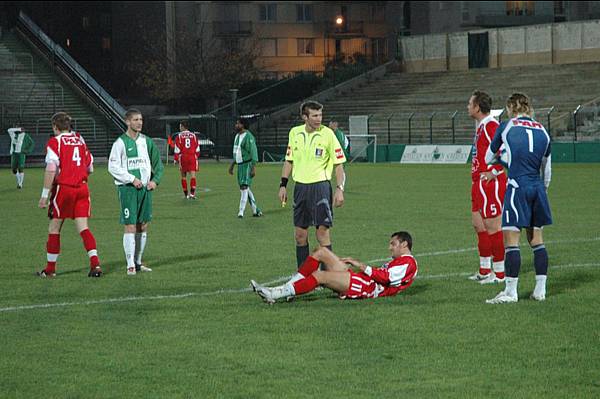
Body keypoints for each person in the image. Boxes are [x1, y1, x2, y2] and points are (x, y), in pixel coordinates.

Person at [484, 93, 552, 304]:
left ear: (510, 108)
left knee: (511, 241)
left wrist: (506, 159)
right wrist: (542, 190)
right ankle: (540, 290)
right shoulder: (543, 131)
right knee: (537, 241)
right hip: (538, 188)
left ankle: (510, 292)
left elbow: (489, 157)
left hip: (517, 186)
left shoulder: (507, 126)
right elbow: (546, 170)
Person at [251, 231, 418, 304]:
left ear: (404, 244)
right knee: (320, 251)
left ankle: (275, 294)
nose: (390, 247)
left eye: (393, 244)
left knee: (319, 276)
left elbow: (386, 278)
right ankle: (288, 289)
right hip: (363, 280)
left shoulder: (408, 263)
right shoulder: (401, 261)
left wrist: (361, 265)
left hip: (367, 288)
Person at [279, 100, 346, 269]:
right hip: (300, 187)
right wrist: (283, 185)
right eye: (315, 115)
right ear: (304, 117)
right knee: (300, 234)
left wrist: (340, 189)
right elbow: (289, 160)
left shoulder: (328, 134)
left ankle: (327, 275)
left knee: (321, 232)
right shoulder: (294, 133)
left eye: (320, 115)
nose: (319, 119)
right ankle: (303, 275)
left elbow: (339, 165)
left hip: (321, 187)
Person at [37, 112, 102, 278]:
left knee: (54, 228)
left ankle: (50, 269)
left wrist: (45, 195)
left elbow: (51, 169)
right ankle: (95, 265)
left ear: (55, 127)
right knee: (83, 228)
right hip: (82, 188)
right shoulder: (79, 139)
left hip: (64, 189)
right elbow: (90, 166)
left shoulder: (55, 142)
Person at [108, 108, 164, 276]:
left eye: (141, 119)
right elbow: (113, 167)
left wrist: (155, 180)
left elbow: (158, 165)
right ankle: (130, 264)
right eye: (136, 120)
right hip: (128, 190)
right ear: (127, 122)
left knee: (143, 225)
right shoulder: (120, 143)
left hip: (145, 190)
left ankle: (139, 262)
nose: (139, 122)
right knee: (130, 226)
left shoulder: (147, 142)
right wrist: (131, 179)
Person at [467, 91, 507, 284]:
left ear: (477, 107)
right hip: (478, 183)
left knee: (493, 226)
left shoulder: (492, 125)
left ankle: (500, 273)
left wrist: (496, 171)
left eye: (469, 104)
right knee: (479, 225)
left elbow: (505, 148)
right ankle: (485, 269)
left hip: (490, 183)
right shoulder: (481, 127)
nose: (467, 107)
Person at [228, 116, 262, 218]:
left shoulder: (249, 136)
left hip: (247, 164)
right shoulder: (237, 136)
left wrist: (253, 167)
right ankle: (256, 210)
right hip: (240, 165)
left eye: (238, 123)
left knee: (244, 187)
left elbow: (253, 152)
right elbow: (236, 152)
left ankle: (241, 212)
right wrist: (232, 165)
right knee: (245, 188)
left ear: (243, 125)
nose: (236, 125)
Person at [174, 120, 200, 199]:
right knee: (193, 176)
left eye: (180, 126)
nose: (179, 128)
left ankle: (186, 195)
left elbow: (177, 149)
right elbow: (197, 149)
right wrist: (195, 157)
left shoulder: (179, 136)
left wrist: (176, 158)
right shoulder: (193, 135)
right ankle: (192, 194)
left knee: (183, 176)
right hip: (192, 156)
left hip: (183, 157)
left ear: (182, 126)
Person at [7, 123, 34, 189]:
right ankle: (19, 181)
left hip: (21, 154)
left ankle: (20, 184)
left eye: (19, 127)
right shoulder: (13, 134)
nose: (18, 129)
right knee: (14, 170)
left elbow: (32, 143)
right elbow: (9, 130)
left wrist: (27, 151)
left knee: (20, 168)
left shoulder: (25, 135)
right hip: (14, 154)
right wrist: (18, 129)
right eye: (17, 127)